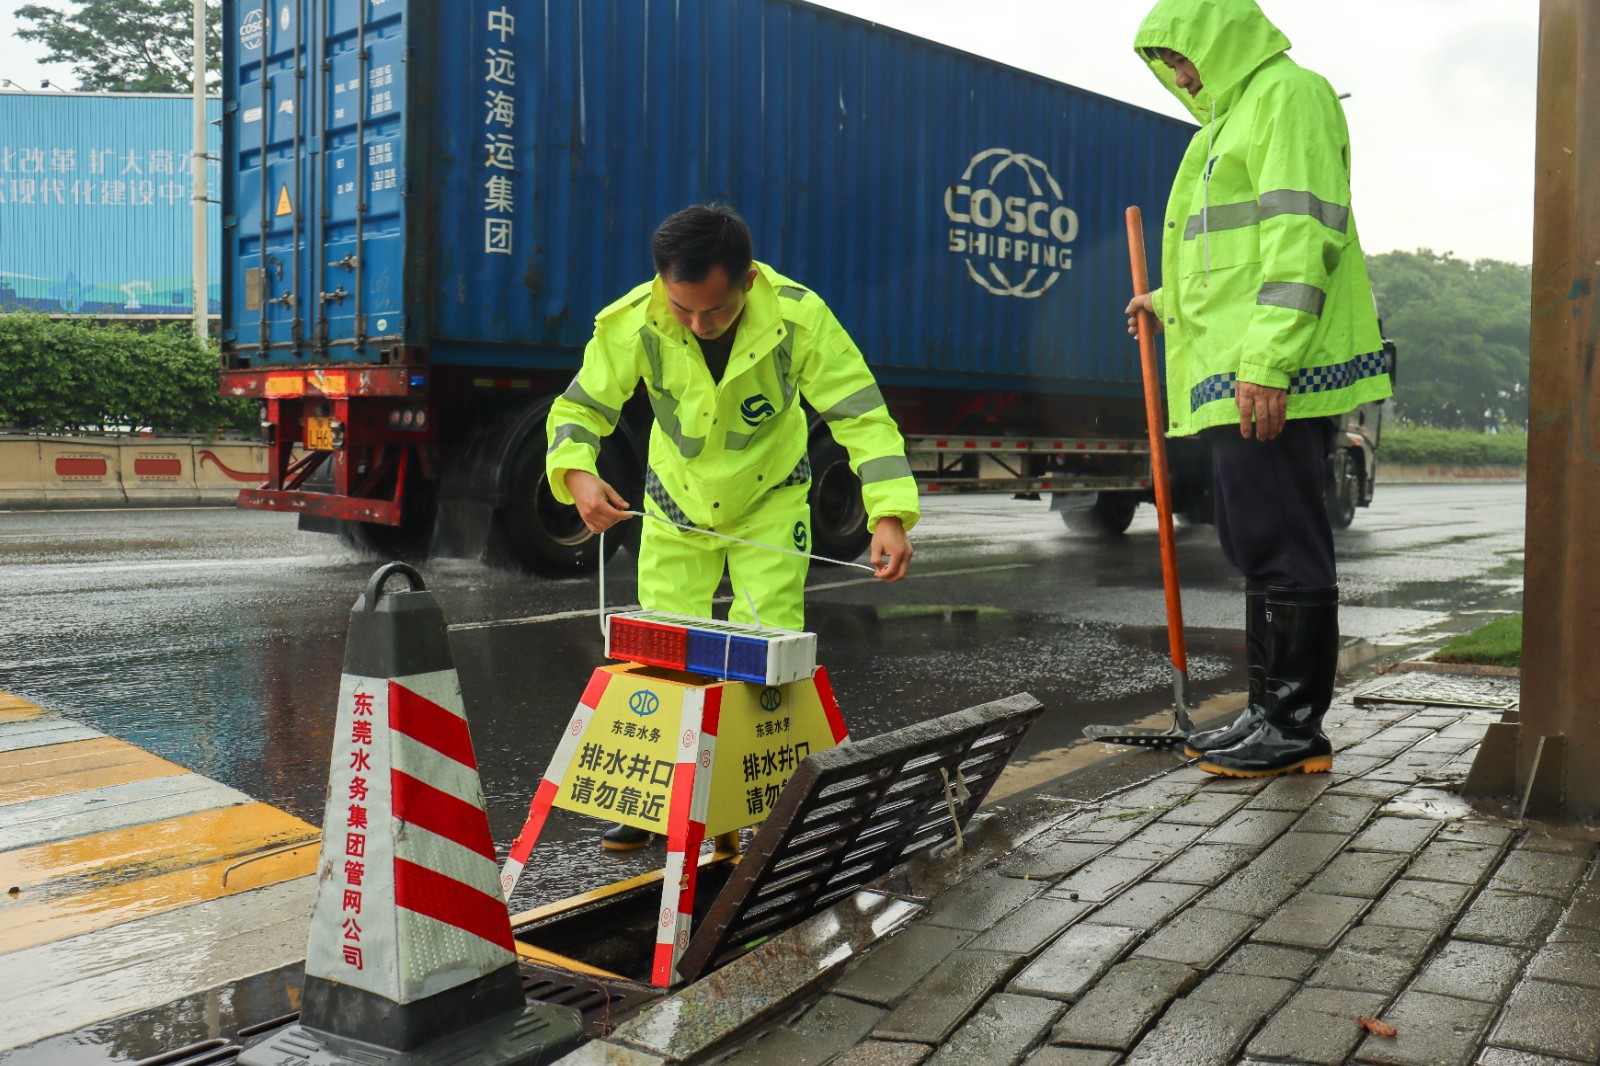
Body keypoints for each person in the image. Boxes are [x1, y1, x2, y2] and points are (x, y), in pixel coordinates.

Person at [547, 202, 919, 848]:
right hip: (674, 500)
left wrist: (887, 514)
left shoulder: (799, 319)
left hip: (769, 501)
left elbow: (861, 416)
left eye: (713, 311)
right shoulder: (637, 320)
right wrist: (578, 474)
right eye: (682, 307)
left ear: (747, 282)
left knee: (766, 652)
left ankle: (761, 803)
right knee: (663, 650)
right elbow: (583, 407)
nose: (696, 324)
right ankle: (652, 796)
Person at [1125, 0, 1392, 778]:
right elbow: (1223, 266)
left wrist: (1269, 359)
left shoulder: (1289, 95)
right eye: (1166, 61)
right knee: (1256, 542)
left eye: (1182, 53)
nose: (1177, 72)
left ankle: (1296, 726)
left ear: (1220, 33)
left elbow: (1302, 234)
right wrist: (1164, 303)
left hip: (1268, 369)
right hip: (1233, 369)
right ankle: (1265, 709)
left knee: (1282, 539)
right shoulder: (1220, 131)